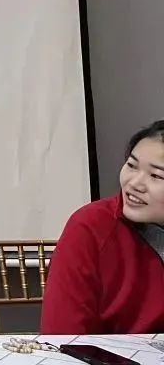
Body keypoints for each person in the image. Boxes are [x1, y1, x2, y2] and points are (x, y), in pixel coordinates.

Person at [41, 121, 164, 334]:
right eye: (132, 165)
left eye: (156, 175)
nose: (134, 183)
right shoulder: (89, 227)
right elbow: (62, 335)